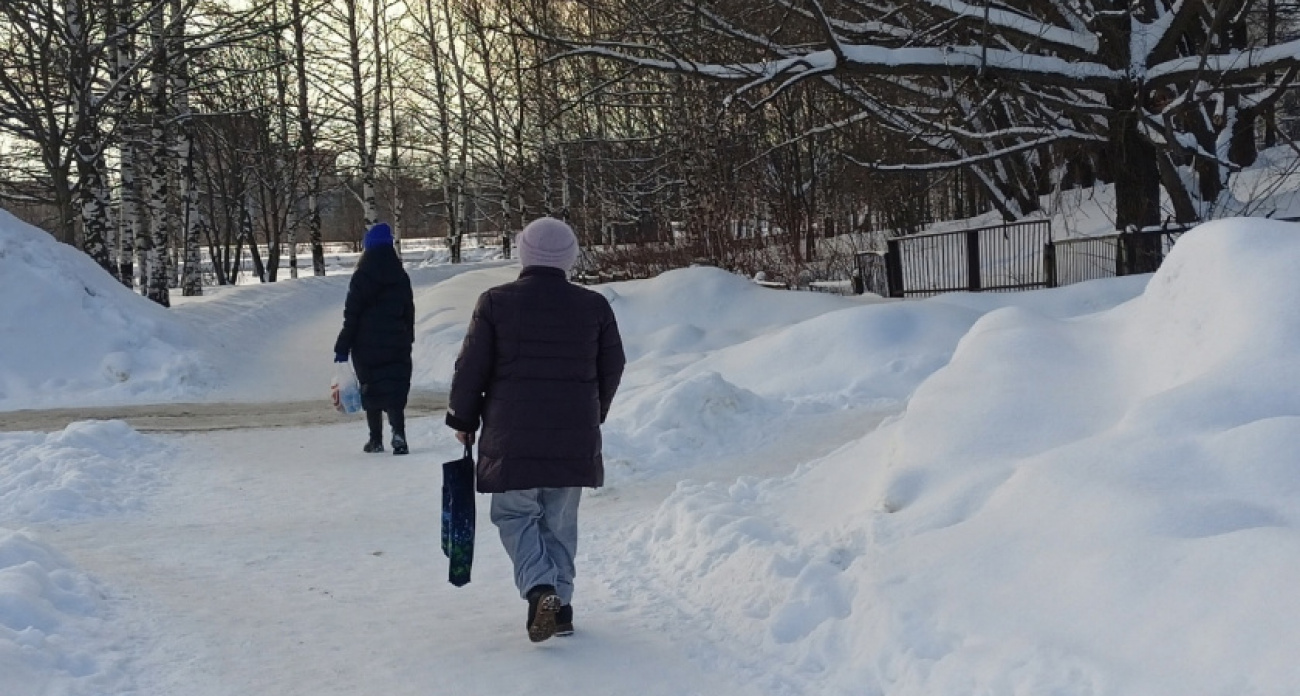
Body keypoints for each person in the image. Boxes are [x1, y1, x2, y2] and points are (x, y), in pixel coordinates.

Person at [446, 216, 625, 643]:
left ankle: (539, 588)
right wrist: (592, 413)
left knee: (515, 514)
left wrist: (463, 420)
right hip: (573, 435)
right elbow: (612, 365)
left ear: (523, 254)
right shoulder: (594, 306)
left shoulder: (495, 302)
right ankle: (559, 607)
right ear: (569, 258)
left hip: (511, 437)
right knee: (560, 522)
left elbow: (472, 368)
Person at [334, 221, 415, 455]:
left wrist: (343, 346)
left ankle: (375, 440)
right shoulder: (400, 276)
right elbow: (408, 311)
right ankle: (399, 436)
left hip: (366, 345)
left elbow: (352, 315)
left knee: (371, 388)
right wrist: (407, 338)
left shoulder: (362, 276)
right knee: (395, 389)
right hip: (397, 342)